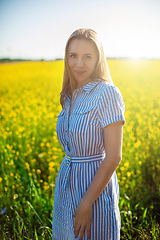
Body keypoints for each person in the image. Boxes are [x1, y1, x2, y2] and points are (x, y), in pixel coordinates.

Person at [52, 28, 125, 240]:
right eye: (73, 56)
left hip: (93, 191)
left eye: (87, 57)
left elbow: (114, 157)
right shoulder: (68, 96)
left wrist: (86, 203)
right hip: (66, 188)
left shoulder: (108, 93)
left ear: (98, 59)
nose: (79, 64)